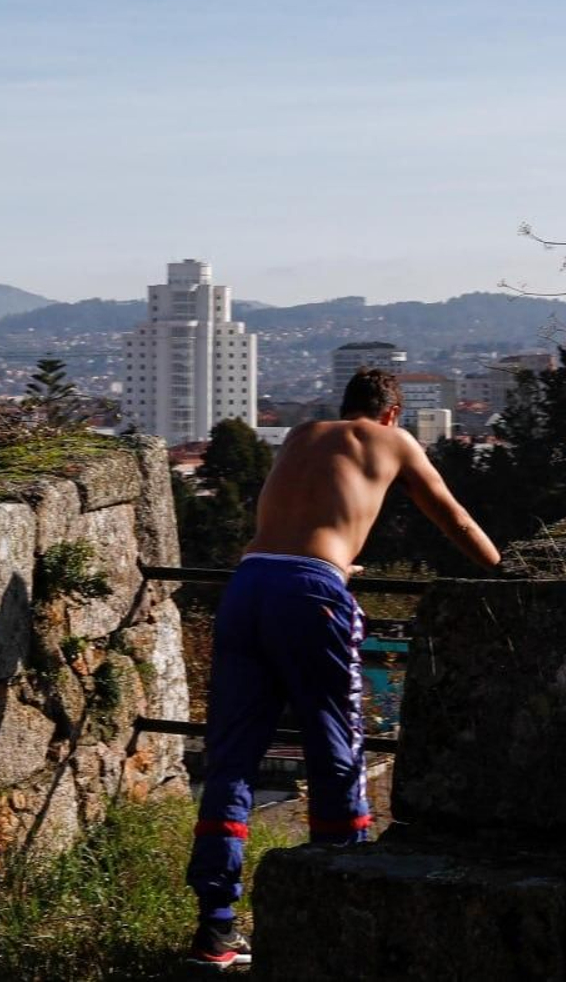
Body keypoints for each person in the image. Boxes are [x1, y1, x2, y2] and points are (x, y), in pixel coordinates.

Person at [183, 368, 501, 970]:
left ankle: (215, 928)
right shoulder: (393, 440)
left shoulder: (303, 434)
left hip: (249, 586)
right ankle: (338, 900)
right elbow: (454, 520)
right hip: (311, 595)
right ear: (390, 414)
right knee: (335, 748)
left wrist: (325, 563)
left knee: (231, 760)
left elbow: (294, 527)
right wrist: (504, 570)